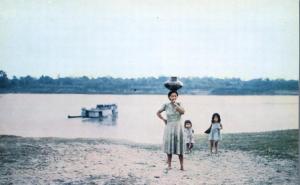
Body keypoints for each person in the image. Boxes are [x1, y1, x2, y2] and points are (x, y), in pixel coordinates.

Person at [157, 90, 185, 170]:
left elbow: (183, 112)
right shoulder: (166, 105)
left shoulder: (179, 104)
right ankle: (169, 165)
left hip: (178, 127)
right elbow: (158, 112)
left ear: (177, 97)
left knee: (180, 146)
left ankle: (181, 166)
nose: (173, 97)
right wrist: (163, 119)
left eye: (175, 96)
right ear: (169, 97)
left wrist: (176, 104)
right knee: (169, 146)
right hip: (169, 126)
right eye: (172, 96)